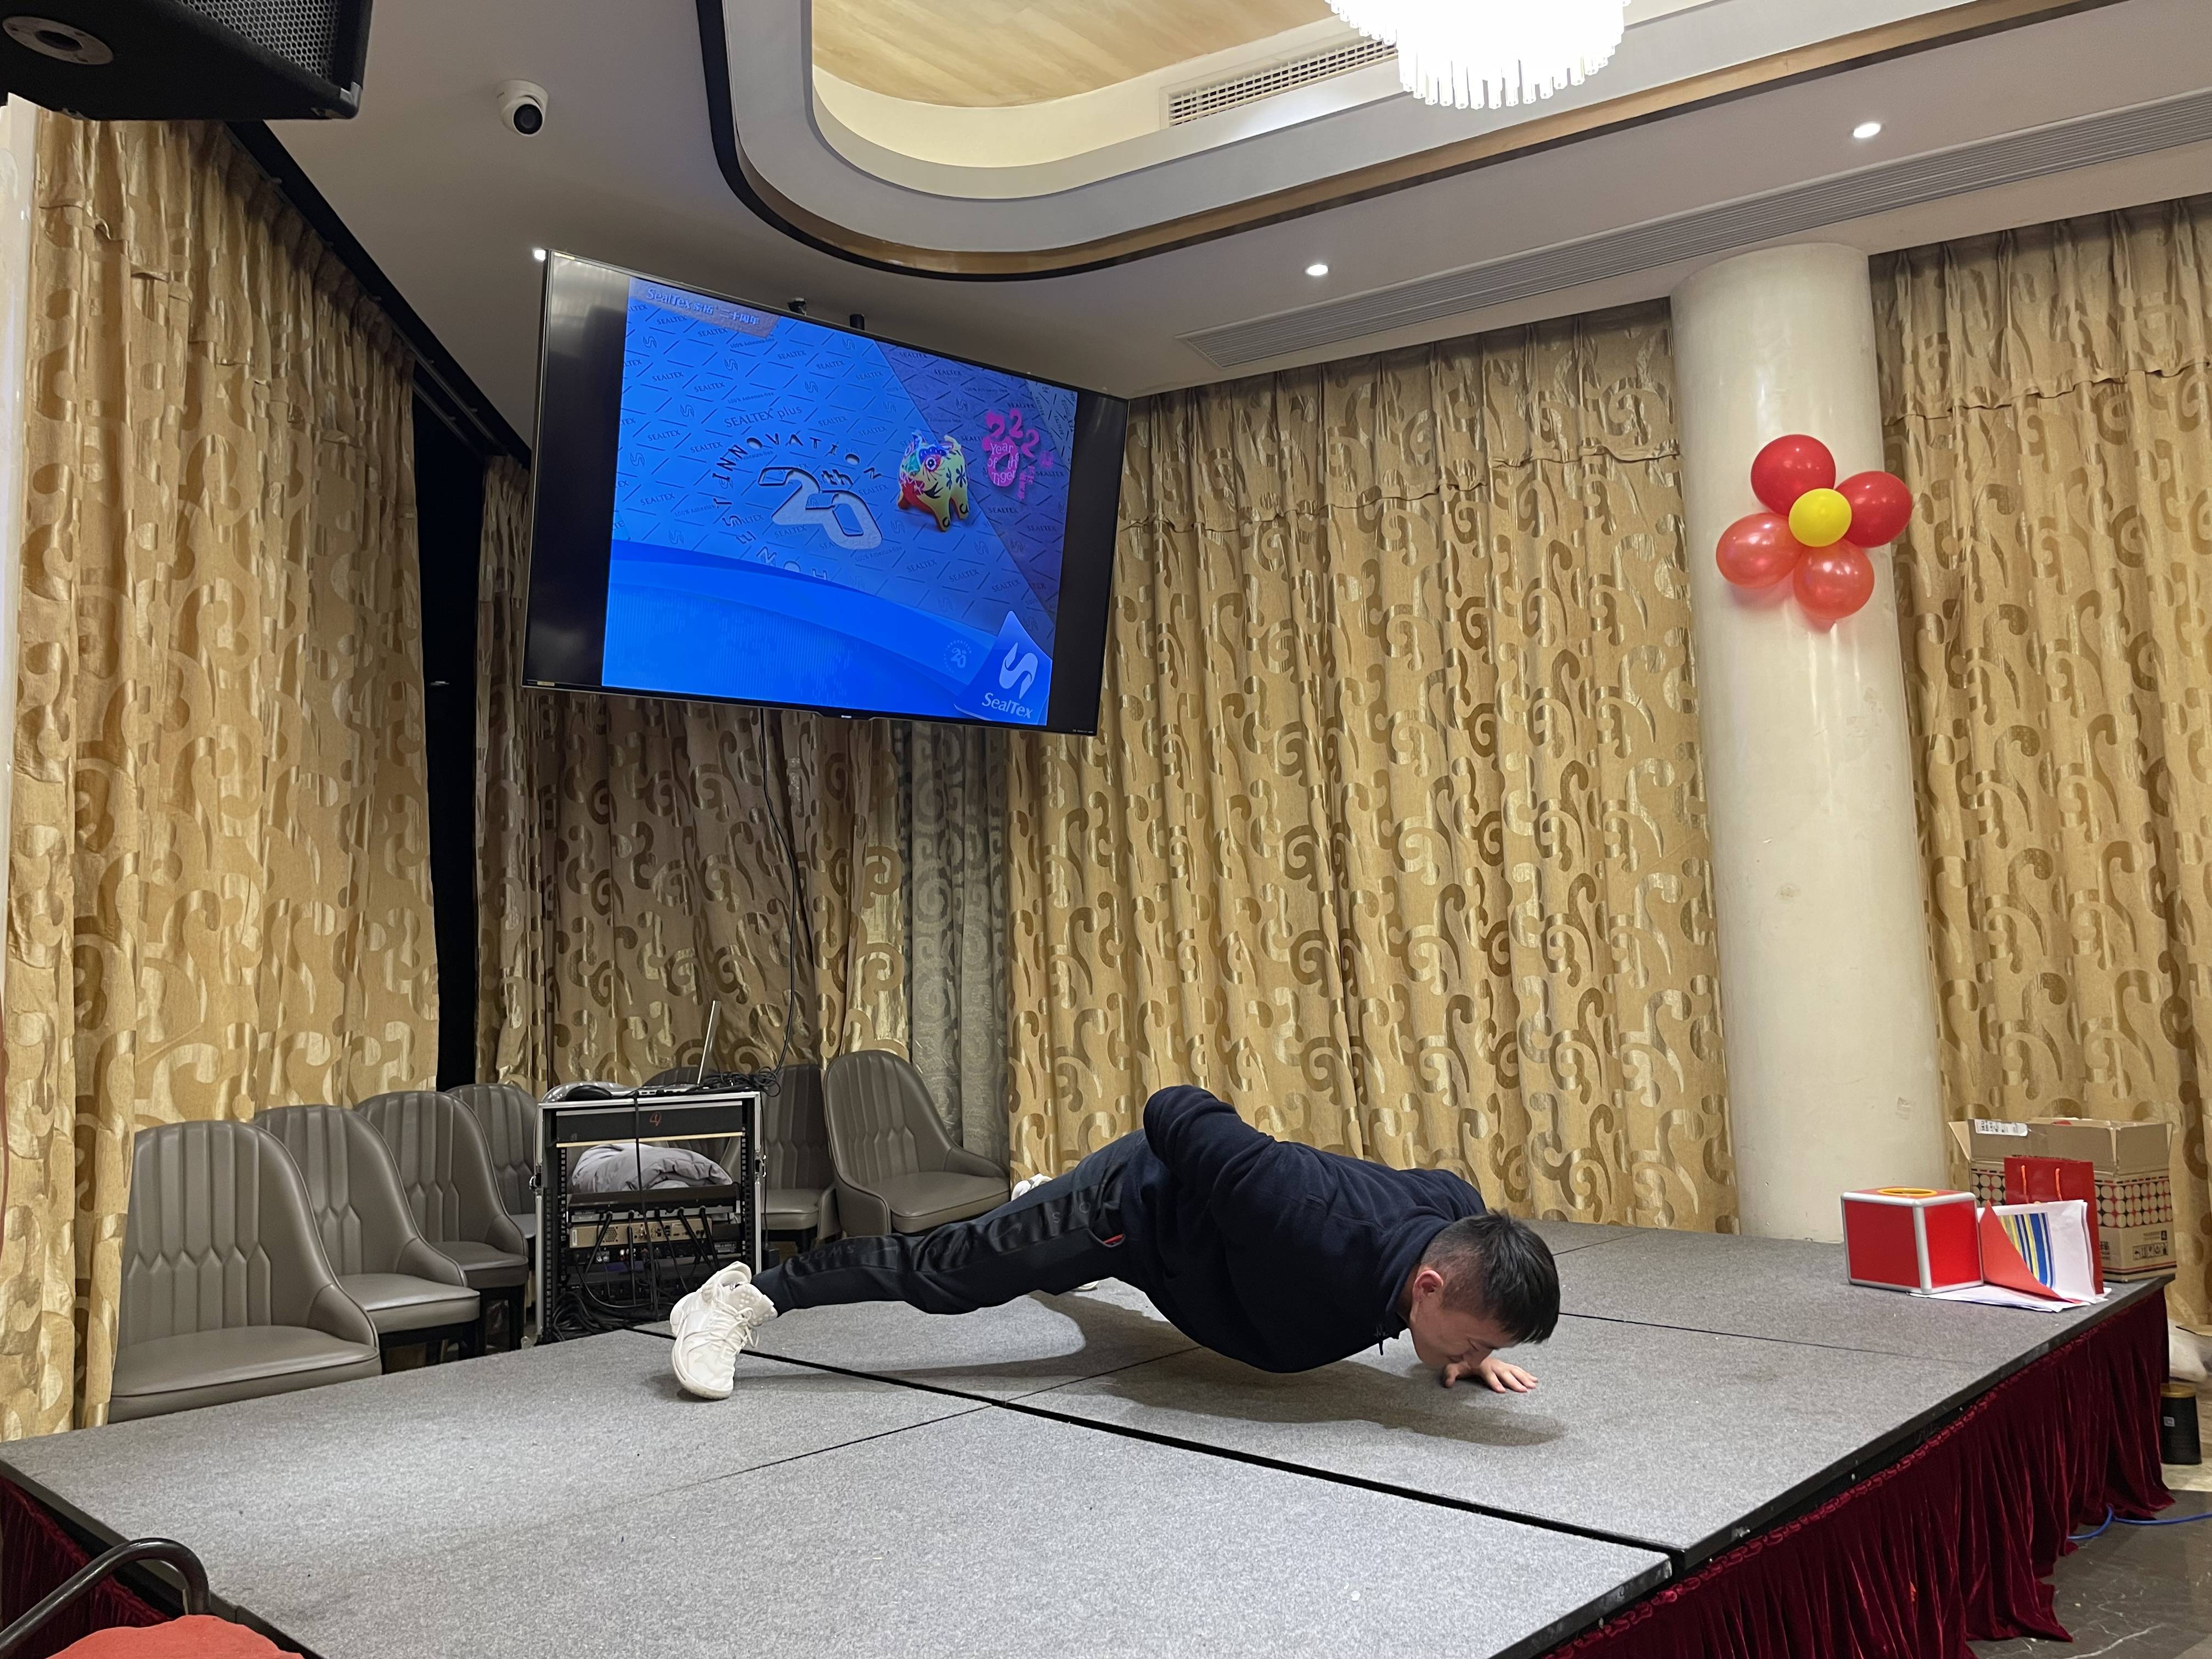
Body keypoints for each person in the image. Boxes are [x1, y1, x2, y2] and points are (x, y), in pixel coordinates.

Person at [669, 1084, 1559, 1401]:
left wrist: (1472, 1350)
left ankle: (1036, 1213)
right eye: (1474, 1339)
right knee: (950, 1275)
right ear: (1430, 1286)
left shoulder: (1457, 1214)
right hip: (1124, 1208)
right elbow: (1176, 1108)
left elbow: (1466, 1244)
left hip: (1191, 1257)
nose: (1472, 1355)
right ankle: (743, 1297)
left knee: (1038, 1267)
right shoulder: (1296, 1209)